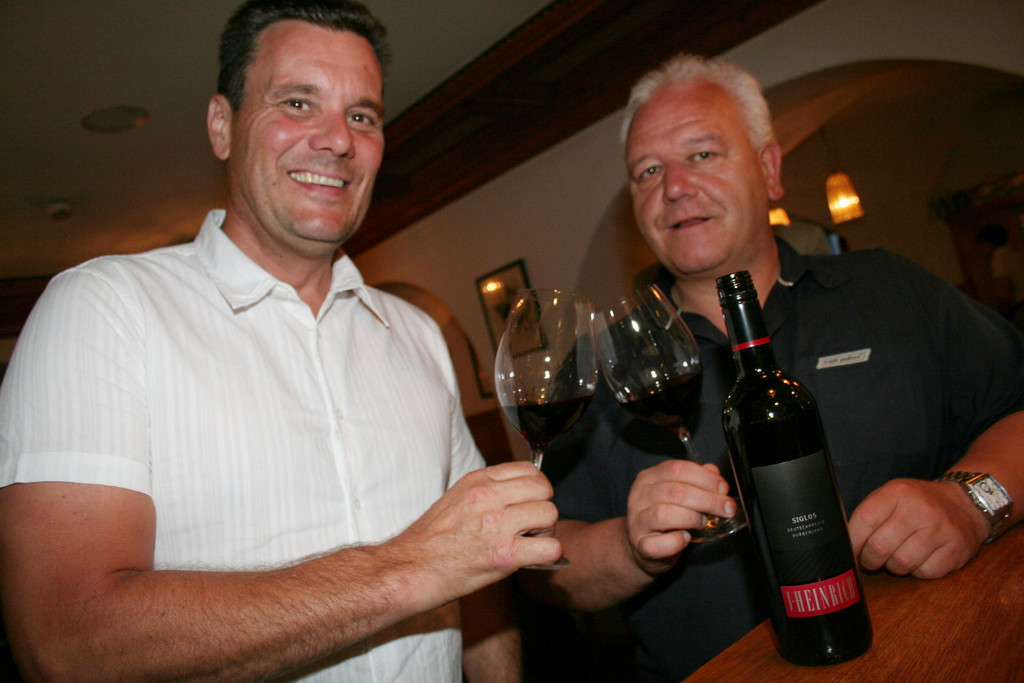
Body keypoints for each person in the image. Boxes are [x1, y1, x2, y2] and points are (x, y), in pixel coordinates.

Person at [0, 1, 563, 680]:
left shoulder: (416, 333)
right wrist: (408, 568)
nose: (338, 140)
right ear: (221, 125)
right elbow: (66, 643)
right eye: (298, 103)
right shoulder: (105, 308)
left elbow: (478, 566)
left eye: (363, 116)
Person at [523, 53, 1024, 681]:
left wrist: (972, 502)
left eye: (702, 153)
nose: (673, 186)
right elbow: (545, 568)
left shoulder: (891, 289)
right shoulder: (595, 368)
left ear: (769, 169)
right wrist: (629, 546)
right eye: (647, 170)